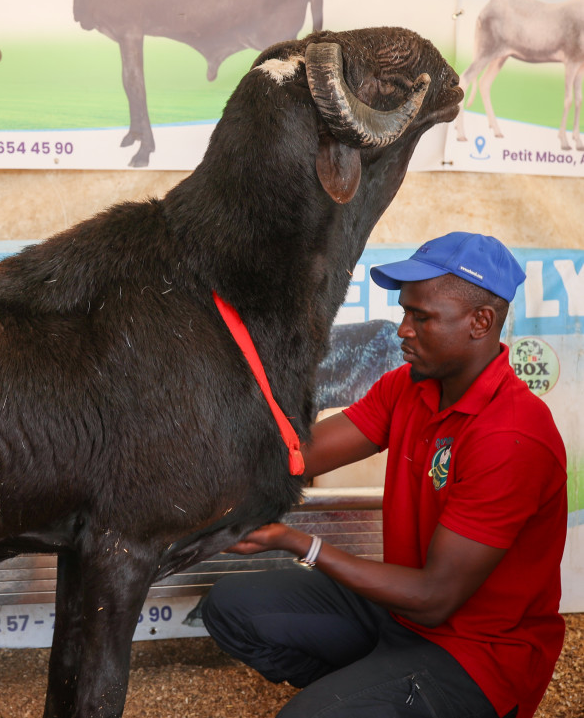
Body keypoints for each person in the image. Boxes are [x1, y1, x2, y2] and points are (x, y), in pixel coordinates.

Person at [200, 231, 567, 718]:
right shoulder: (409, 387)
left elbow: (436, 600)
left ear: (481, 322)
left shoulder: (513, 436)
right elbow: (300, 455)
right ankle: (368, 690)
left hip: (476, 653)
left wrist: (300, 543)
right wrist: (196, 470)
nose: (402, 330)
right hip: (400, 614)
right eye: (404, 312)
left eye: (422, 317)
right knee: (229, 606)